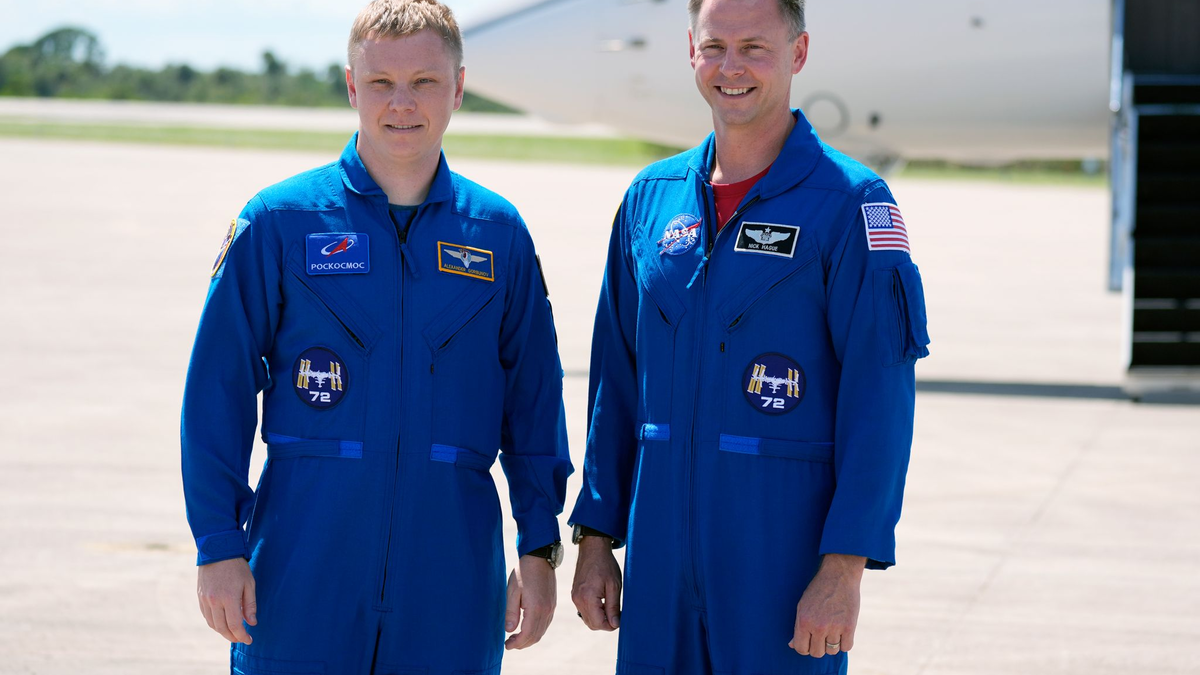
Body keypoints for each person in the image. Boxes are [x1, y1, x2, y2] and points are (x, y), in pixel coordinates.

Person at [180, 2, 571, 673]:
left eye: (424, 82)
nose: (401, 104)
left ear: (458, 87)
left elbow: (534, 404)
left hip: (450, 567)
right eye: (381, 83)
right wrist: (219, 543)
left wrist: (537, 547)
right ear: (352, 86)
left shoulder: (498, 233)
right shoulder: (279, 222)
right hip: (305, 558)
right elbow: (216, 392)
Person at [568, 0, 930, 672]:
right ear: (691, 50)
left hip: (782, 565)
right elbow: (615, 383)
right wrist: (596, 535)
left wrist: (843, 568)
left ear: (798, 53)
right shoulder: (651, 198)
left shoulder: (852, 204)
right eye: (715, 46)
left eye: (754, 48)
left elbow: (879, 402)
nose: (731, 67)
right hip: (660, 562)